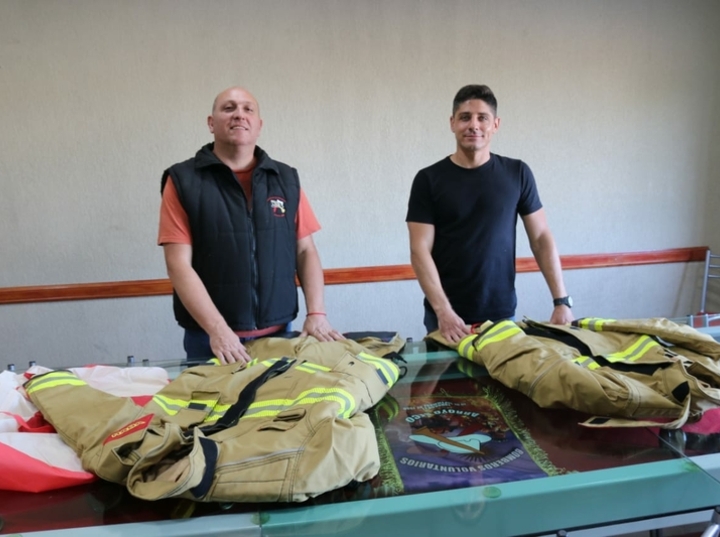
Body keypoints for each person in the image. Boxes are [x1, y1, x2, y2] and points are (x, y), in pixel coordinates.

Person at [158, 86, 343, 364]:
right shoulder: (183, 180)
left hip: (279, 334)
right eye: (228, 108)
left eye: (248, 109)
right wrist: (218, 330)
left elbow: (305, 251)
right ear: (211, 123)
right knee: (213, 408)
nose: (239, 115)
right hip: (211, 339)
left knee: (276, 407)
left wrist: (316, 313)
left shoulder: (285, 179)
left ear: (259, 125)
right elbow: (178, 264)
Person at [406, 84, 573, 344]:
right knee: (448, 386)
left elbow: (541, 238)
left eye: (482, 118)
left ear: (495, 124)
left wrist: (561, 301)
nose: (473, 125)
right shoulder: (428, 180)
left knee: (496, 386)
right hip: (446, 318)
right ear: (452, 123)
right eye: (465, 117)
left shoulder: (517, 173)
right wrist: (443, 311)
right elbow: (419, 250)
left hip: (501, 315)